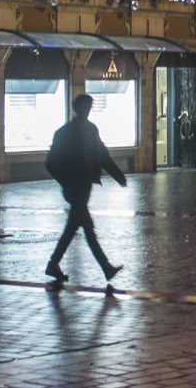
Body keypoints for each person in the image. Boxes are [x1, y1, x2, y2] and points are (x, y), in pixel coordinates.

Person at [44, 94, 129, 284]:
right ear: (78, 109)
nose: (88, 110)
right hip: (74, 187)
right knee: (88, 228)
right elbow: (50, 162)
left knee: (72, 227)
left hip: (85, 185)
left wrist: (117, 175)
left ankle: (53, 264)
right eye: (85, 107)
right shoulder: (64, 133)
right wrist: (65, 181)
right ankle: (105, 267)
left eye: (90, 107)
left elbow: (102, 154)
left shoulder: (92, 129)